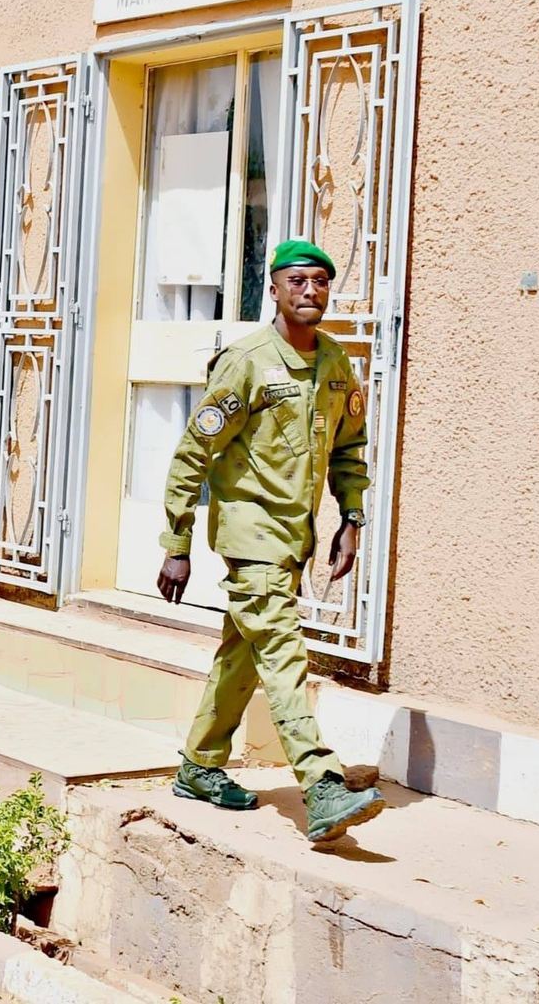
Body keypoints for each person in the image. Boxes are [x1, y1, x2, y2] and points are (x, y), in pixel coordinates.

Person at [158, 239, 385, 844]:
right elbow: (192, 454)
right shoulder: (247, 362)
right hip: (250, 534)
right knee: (283, 655)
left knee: (242, 654)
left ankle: (200, 765)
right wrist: (177, 542)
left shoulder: (336, 364)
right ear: (276, 290)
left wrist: (351, 520)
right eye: (297, 281)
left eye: (320, 281)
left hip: (294, 537)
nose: (310, 291)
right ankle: (322, 784)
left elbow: (349, 449)